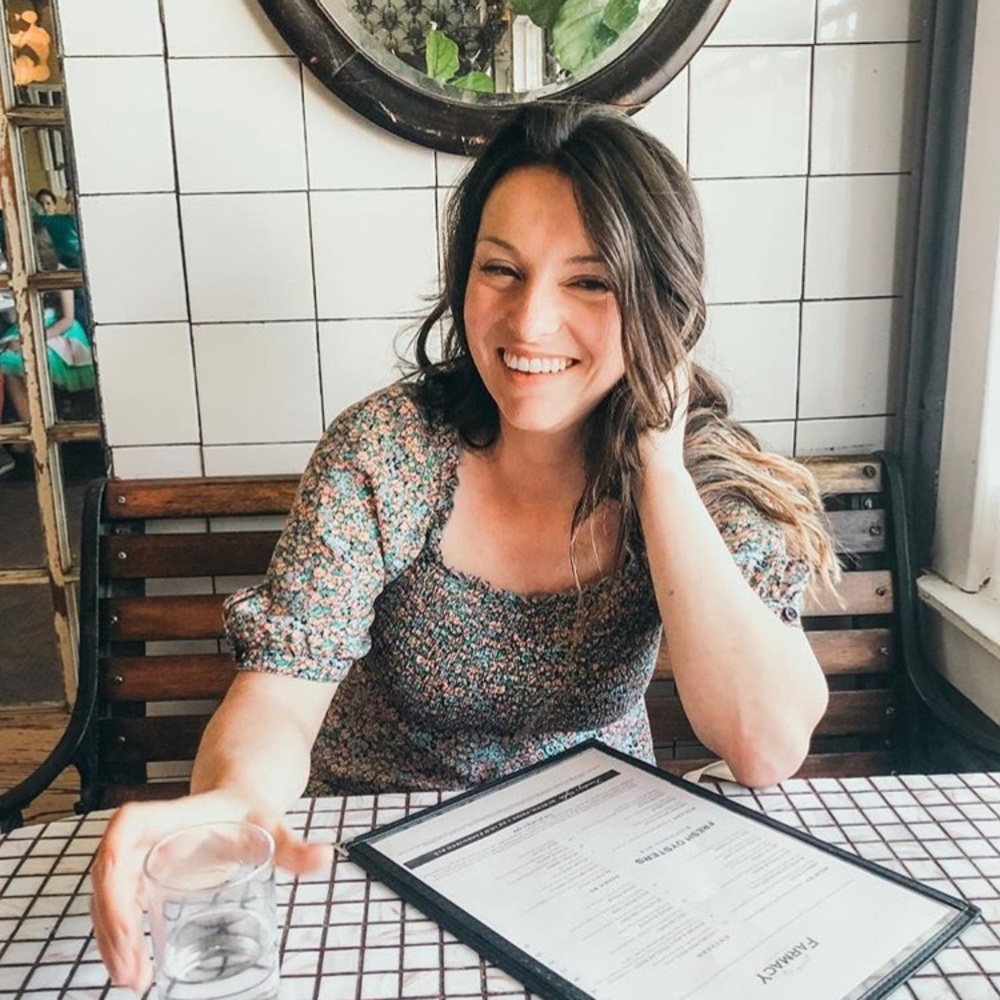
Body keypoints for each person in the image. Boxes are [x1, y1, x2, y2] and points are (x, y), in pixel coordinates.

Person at [90, 101, 837, 989]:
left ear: (661, 303)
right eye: (501, 271)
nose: (529, 325)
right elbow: (283, 695)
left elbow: (764, 746)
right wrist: (235, 807)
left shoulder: (703, 467)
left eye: (590, 282)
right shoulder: (385, 452)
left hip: (598, 864)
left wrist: (659, 469)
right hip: (374, 861)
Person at [0, 221, 95, 422]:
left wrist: (31, 341)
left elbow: (67, 320)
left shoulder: (60, 272)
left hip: (57, 331)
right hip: (25, 326)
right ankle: (31, 426)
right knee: (7, 362)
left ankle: (42, 426)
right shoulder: (13, 275)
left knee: (28, 361)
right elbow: (13, 317)